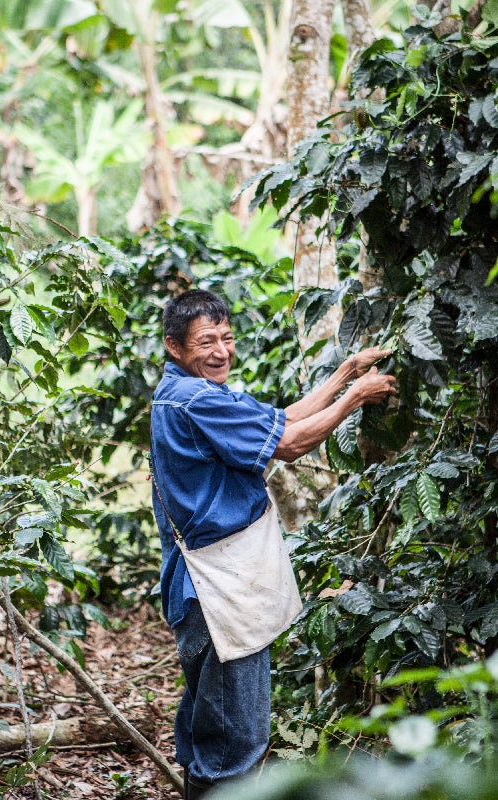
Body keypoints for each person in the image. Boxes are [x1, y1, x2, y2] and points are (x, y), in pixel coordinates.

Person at [149, 289, 396, 799]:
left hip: (210, 591)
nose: (220, 351)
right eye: (205, 342)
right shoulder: (196, 400)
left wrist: (346, 371)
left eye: (226, 338)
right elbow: (290, 444)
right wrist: (356, 398)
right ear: (175, 347)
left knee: (213, 736)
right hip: (215, 594)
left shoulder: (194, 393)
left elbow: (282, 419)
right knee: (236, 745)